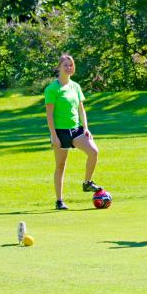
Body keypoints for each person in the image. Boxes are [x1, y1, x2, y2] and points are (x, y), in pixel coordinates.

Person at [45, 54, 104, 210]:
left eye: (70, 65)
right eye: (65, 65)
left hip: (76, 129)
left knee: (93, 151)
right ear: (59, 67)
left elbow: (81, 109)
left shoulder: (76, 86)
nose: (68, 67)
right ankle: (59, 201)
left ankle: (87, 183)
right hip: (60, 132)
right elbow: (49, 115)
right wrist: (54, 136)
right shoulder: (52, 89)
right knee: (61, 165)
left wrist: (86, 128)